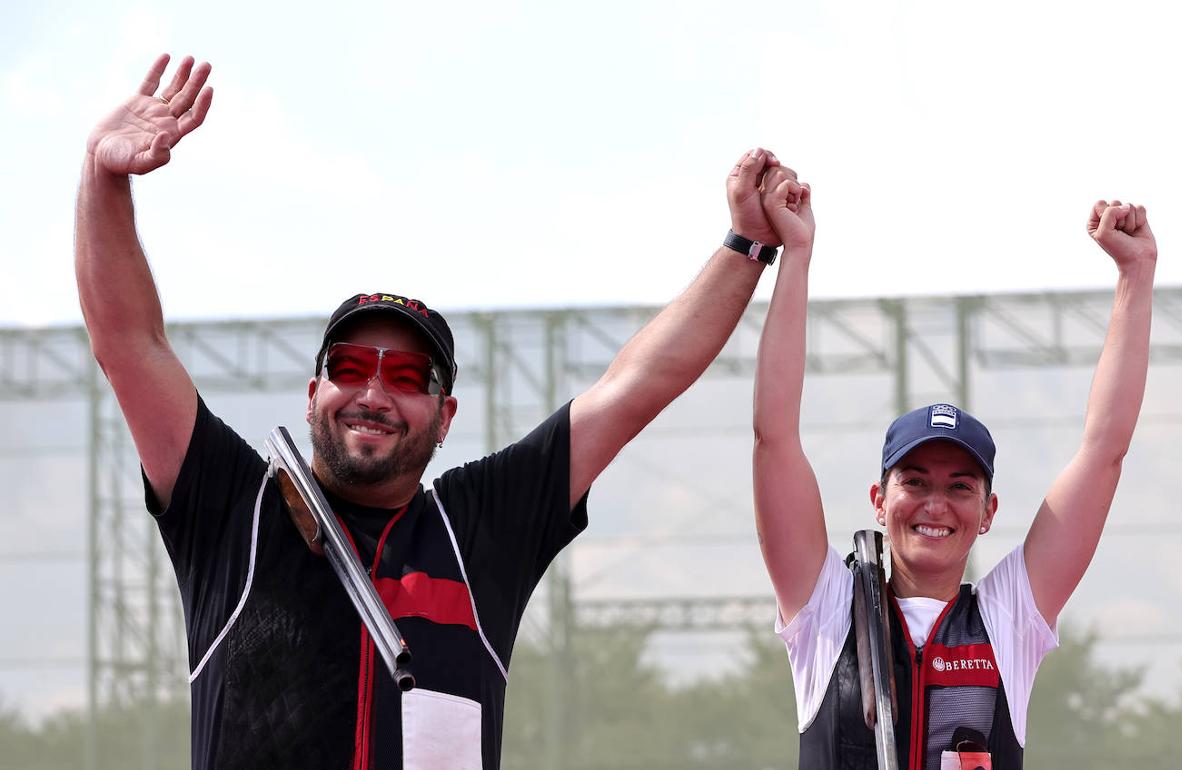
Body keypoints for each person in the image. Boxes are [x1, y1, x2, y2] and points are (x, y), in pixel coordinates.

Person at [75, 53, 804, 770]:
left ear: (445, 414)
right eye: (350, 368)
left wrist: (747, 244)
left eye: (407, 377)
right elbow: (128, 343)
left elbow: (637, 384)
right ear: (312, 393)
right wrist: (102, 176)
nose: (373, 394)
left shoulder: (478, 528)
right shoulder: (235, 508)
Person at [750, 174, 1156, 769]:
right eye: (914, 481)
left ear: (988, 512)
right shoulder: (827, 610)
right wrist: (798, 254)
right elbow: (773, 437)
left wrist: (1135, 276)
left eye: (960, 486)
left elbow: (1104, 452)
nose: (935, 503)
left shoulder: (1009, 618)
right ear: (879, 501)